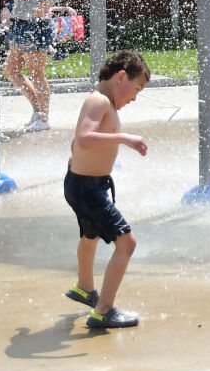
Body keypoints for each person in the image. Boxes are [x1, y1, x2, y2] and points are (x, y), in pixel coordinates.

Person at [64, 49, 150, 331]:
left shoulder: (103, 102)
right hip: (87, 188)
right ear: (120, 77)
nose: (135, 97)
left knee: (90, 236)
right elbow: (84, 137)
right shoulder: (98, 100)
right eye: (135, 89)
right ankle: (103, 312)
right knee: (127, 243)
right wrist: (125, 138)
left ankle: (85, 288)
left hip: (86, 184)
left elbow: (78, 142)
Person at [4, 0, 60, 132]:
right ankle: (37, 111)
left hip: (34, 27)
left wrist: (40, 9)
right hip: (21, 27)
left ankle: (44, 118)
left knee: (36, 73)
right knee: (12, 71)